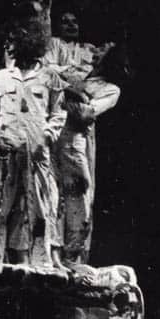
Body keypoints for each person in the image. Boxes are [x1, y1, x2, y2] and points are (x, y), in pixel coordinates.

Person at [0, 20, 66, 266]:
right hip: (4, 152)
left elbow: (59, 113)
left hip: (36, 153)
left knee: (38, 207)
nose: (7, 46)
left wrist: (46, 137)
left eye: (12, 41)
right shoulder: (0, 77)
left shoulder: (49, 77)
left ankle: (37, 263)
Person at [55, 45, 121, 263]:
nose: (96, 49)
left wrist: (66, 92)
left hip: (75, 143)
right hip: (49, 140)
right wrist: (77, 92)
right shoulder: (75, 72)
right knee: (52, 197)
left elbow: (85, 114)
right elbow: (47, 75)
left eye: (104, 49)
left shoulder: (110, 89)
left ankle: (74, 257)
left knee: (78, 195)